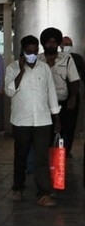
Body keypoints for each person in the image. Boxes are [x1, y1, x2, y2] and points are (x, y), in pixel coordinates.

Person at [4, 35, 60, 207]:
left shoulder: (44, 68)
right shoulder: (12, 68)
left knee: (41, 158)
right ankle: (18, 188)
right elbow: (9, 91)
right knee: (21, 156)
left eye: (35, 51)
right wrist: (21, 71)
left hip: (43, 120)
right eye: (29, 51)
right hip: (22, 120)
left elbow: (51, 93)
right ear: (22, 51)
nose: (32, 54)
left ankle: (43, 192)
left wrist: (56, 117)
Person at [39, 27, 80, 155]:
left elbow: (74, 80)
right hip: (43, 104)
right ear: (43, 43)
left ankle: (61, 158)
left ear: (58, 43)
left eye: (54, 42)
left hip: (63, 101)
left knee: (64, 131)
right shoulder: (38, 60)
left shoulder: (66, 58)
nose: (51, 45)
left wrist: (73, 97)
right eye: (48, 42)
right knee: (45, 132)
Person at [61, 36, 85, 155]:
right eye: (65, 44)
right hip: (58, 96)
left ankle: (67, 149)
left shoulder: (77, 59)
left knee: (70, 124)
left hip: (73, 95)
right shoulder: (56, 58)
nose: (67, 46)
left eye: (69, 44)